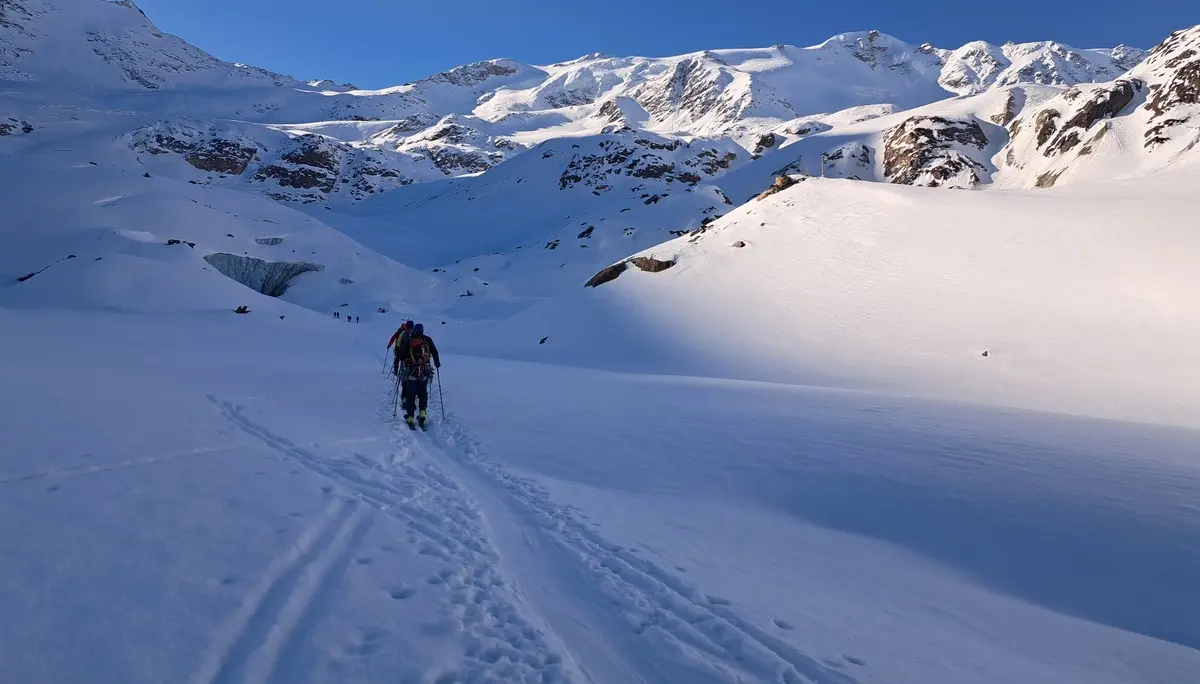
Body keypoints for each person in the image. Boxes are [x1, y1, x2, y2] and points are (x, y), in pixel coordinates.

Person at [398, 323, 440, 428]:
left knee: (410, 395)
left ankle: (410, 417)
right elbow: (434, 351)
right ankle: (422, 414)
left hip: (411, 373)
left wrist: (404, 361)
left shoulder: (409, 340)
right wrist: (437, 362)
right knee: (423, 394)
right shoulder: (427, 340)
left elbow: (401, 355)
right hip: (424, 373)